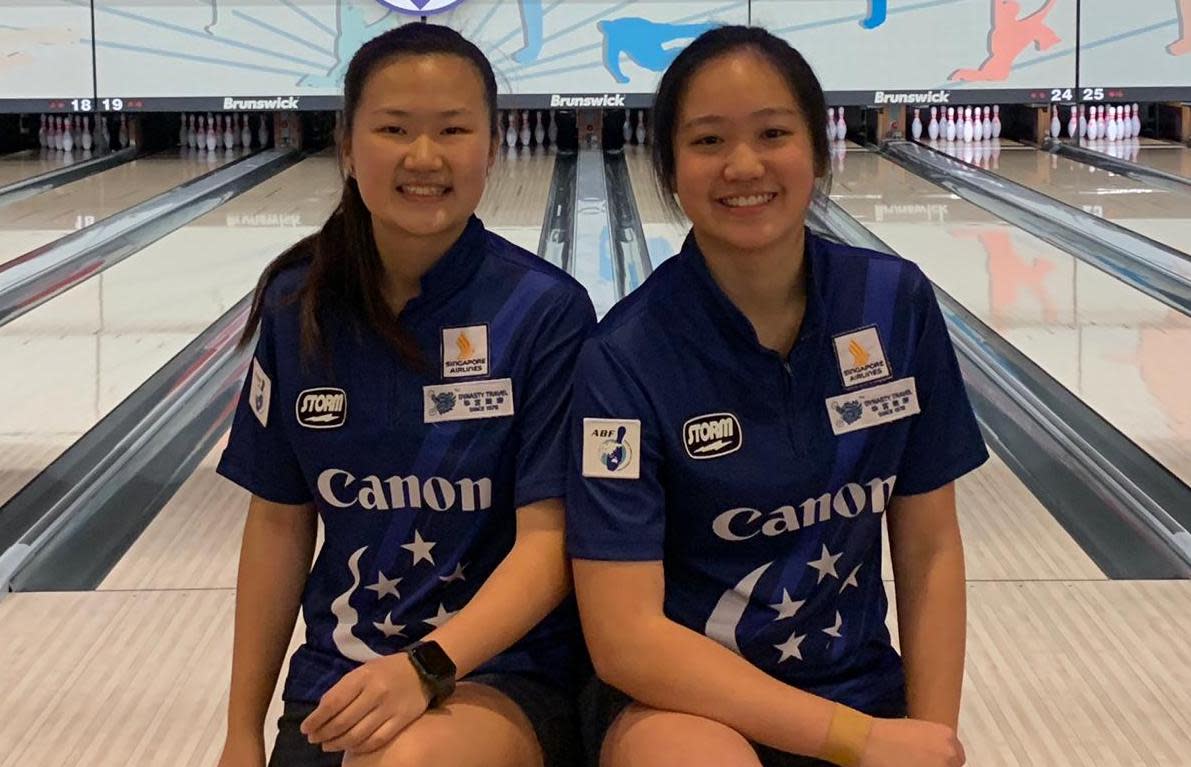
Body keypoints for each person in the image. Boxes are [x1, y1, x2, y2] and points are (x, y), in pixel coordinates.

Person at [567, 26, 987, 767]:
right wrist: (860, 742)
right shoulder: (625, 356)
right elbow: (626, 638)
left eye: (772, 133)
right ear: (666, 169)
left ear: (819, 149)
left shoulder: (892, 304)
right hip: (681, 704)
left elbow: (927, 545)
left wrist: (929, 736)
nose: (742, 165)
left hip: (854, 686)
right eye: (706, 142)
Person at [214, 23, 595, 767]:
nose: (424, 157)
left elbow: (551, 541)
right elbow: (279, 527)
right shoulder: (301, 307)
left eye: (453, 130)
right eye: (393, 129)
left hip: (501, 674)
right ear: (348, 148)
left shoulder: (544, 312)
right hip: (340, 679)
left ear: (491, 146)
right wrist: (239, 732)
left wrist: (427, 668)